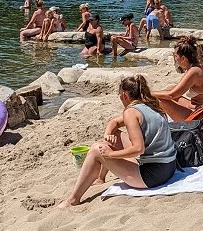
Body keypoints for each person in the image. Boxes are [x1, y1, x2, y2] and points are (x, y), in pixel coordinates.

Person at [58, 75, 177, 207]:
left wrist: (110, 154)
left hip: (153, 175)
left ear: (124, 95)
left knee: (96, 150)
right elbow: (114, 122)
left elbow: (139, 149)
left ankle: (73, 199)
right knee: (112, 137)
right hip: (169, 167)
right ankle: (100, 178)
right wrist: (108, 134)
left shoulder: (131, 112)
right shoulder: (150, 106)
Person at [153, 36, 203, 121]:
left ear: (183, 58)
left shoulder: (194, 72)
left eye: (175, 56)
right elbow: (173, 91)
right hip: (199, 107)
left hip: (200, 115)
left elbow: (171, 95)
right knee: (170, 88)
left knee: (159, 99)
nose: (175, 58)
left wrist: (147, 93)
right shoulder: (196, 67)